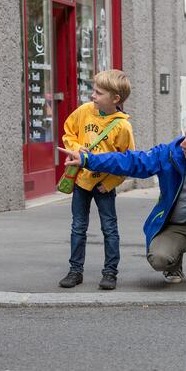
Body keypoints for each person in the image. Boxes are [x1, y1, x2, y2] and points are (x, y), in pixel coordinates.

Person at [58, 116, 186, 294]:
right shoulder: (170, 154)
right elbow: (132, 161)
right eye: (185, 136)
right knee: (159, 259)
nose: (183, 144)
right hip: (175, 226)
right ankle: (173, 263)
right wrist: (88, 160)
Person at [58, 69, 135, 290]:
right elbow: (68, 132)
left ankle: (110, 272)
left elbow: (127, 161)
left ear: (115, 99)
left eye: (99, 93)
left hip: (103, 186)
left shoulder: (122, 126)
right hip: (81, 181)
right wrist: (75, 148)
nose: (93, 96)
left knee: (109, 228)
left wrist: (109, 184)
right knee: (78, 227)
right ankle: (75, 271)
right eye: (94, 91)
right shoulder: (84, 111)